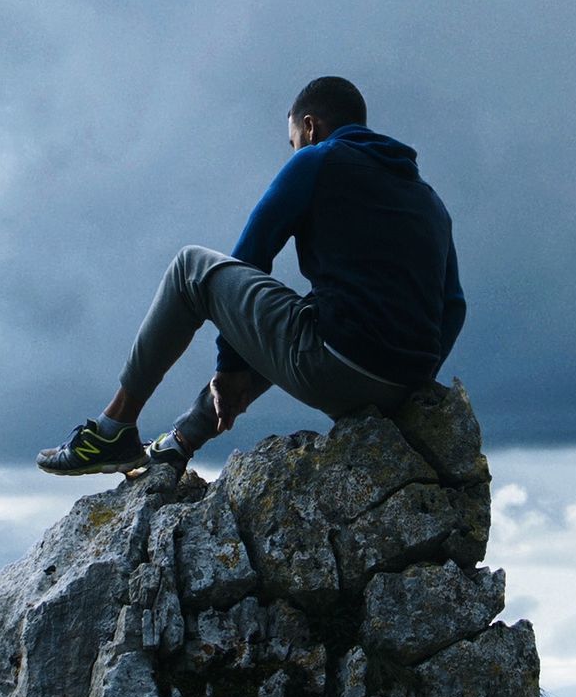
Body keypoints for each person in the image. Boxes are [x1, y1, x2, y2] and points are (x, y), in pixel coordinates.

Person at [37, 75, 464, 477]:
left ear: (310, 127)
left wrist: (230, 365)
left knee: (191, 267)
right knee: (307, 313)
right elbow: (453, 307)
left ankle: (113, 430)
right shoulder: (429, 199)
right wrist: (409, 382)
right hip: (403, 386)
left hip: (335, 371)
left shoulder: (319, 160)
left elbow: (250, 256)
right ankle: (179, 441)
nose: (295, 150)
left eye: (293, 141)